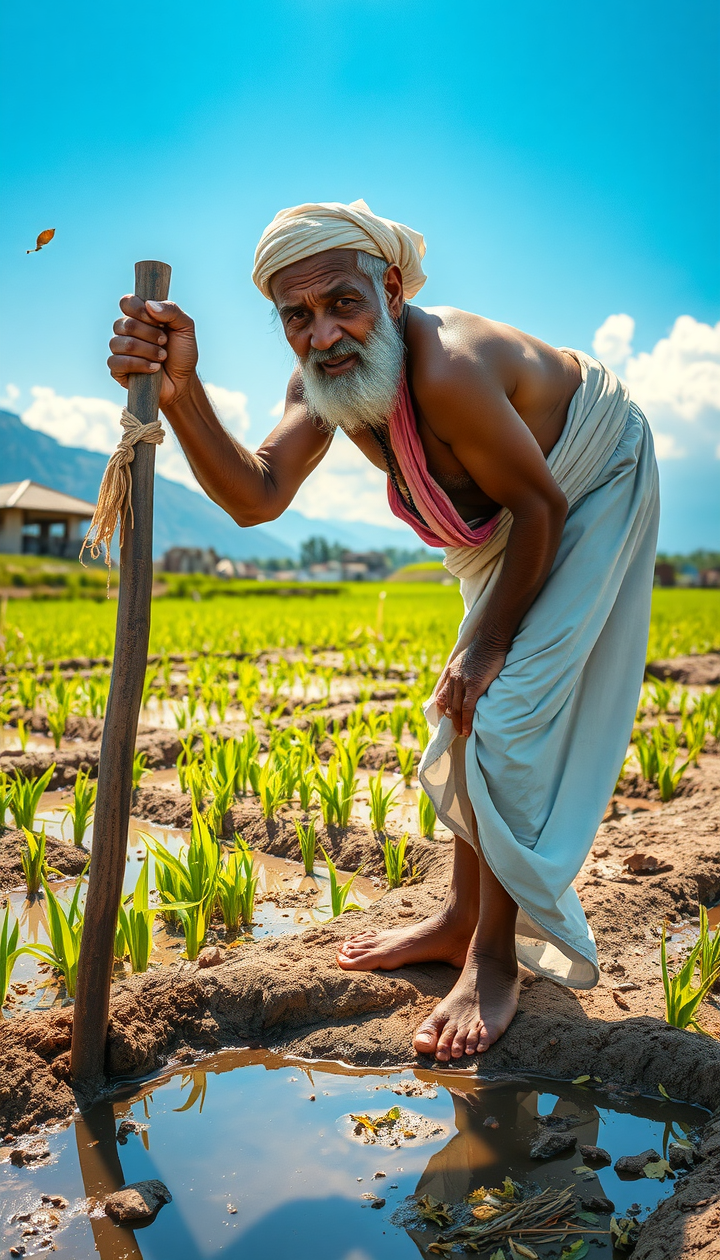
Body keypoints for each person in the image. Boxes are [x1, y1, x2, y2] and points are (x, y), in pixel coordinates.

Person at [107, 199, 659, 1063]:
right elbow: (256, 496)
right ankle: (457, 918)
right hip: (517, 523)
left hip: (585, 485)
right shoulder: (325, 388)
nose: (324, 334)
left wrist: (486, 646)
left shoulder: (451, 369)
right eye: (299, 315)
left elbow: (541, 505)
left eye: (344, 303)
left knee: (504, 709)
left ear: (391, 289)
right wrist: (179, 393)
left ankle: (493, 957)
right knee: (466, 711)